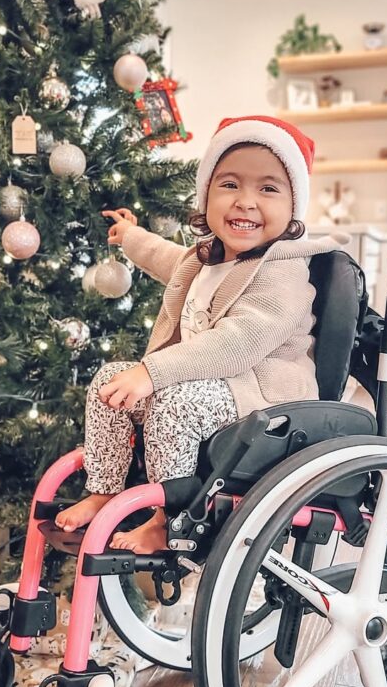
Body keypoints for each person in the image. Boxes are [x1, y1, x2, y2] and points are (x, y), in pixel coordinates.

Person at [55, 115, 347, 553]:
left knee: (173, 397)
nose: (245, 202)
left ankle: (167, 519)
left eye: (268, 189)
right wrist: (132, 237)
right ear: (206, 196)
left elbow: (237, 342)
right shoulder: (207, 259)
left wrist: (152, 372)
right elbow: (167, 260)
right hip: (212, 389)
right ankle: (105, 490)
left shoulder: (283, 273)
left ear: (293, 209)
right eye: (229, 184)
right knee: (108, 382)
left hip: (263, 401)